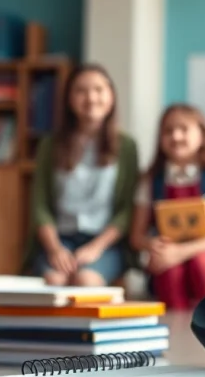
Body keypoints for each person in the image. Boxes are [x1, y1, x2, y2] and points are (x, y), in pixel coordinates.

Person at [28, 63, 140, 287]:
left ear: (111, 96)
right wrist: (55, 249)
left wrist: (95, 247)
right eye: (81, 90)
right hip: (60, 239)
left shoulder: (126, 146)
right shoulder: (50, 145)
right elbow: (40, 206)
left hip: (104, 242)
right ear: (69, 99)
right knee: (54, 280)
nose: (90, 97)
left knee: (86, 281)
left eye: (99, 90)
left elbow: (127, 209)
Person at [130, 103, 205, 310]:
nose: (176, 136)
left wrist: (182, 251)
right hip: (169, 259)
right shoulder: (151, 181)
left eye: (184, 129)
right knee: (169, 270)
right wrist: (152, 245)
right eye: (169, 131)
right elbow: (137, 236)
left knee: (203, 264)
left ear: (201, 135)